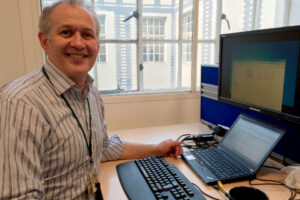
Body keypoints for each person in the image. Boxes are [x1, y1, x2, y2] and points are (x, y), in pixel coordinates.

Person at [0, 0, 182, 199]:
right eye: (66, 32)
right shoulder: (21, 103)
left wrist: (157, 149)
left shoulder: (90, 93)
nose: (78, 43)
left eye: (87, 34)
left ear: (97, 44)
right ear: (45, 41)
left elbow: (102, 147)